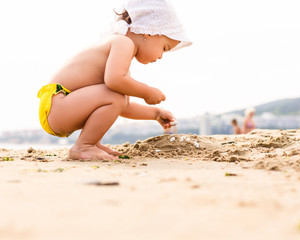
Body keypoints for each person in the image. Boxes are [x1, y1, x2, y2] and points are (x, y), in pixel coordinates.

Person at [37, 0, 192, 161]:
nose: (160, 56)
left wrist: (155, 114)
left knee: (117, 96)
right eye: (164, 48)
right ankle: (84, 146)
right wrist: (147, 91)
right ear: (150, 32)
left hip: (62, 109)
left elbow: (120, 105)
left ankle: (92, 144)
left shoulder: (118, 56)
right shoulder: (122, 43)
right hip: (57, 107)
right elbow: (114, 83)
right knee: (116, 94)